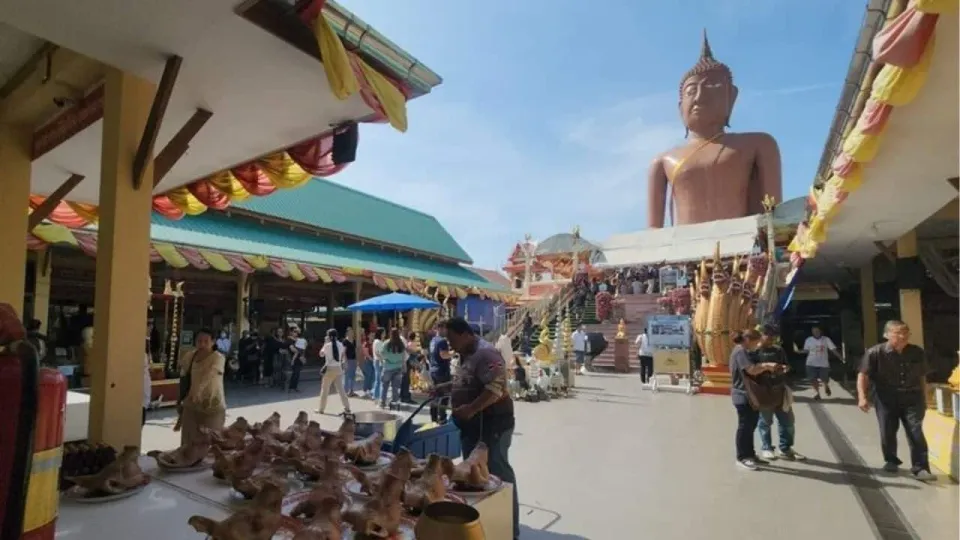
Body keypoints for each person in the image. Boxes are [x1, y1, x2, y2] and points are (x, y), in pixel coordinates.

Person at [436, 317, 519, 540]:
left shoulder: (486, 353)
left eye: (452, 339)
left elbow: (496, 388)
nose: (450, 345)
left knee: (497, 473)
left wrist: (471, 409)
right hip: (471, 426)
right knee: (472, 476)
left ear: (465, 334)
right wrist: (444, 388)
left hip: (491, 424)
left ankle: (509, 528)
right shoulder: (465, 354)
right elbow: (467, 382)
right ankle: (482, 525)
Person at [857, 320, 934, 481]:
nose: (903, 336)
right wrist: (862, 397)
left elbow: (922, 376)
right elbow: (863, 375)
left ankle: (921, 467)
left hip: (913, 397)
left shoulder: (917, 352)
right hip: (886, 398)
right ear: (886, 335)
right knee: (888, 430)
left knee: (916, 430)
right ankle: (891, 460)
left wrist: (925, 398)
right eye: (898, 332)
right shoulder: (875, 352)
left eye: (906, 332)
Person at [729, 328, 777, 471]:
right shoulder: (740, 351)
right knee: (744, 426)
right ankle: (742, 457)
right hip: (742, 395)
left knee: (751, 426)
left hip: (750, 395)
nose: (757, 345)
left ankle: (750, 454)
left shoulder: (745, 351)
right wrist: (767, 366)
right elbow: (751, 369)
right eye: (756, 342)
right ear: (748, 340)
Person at [755, 326, 805, 461]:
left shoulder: (779, 350)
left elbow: (786, 365)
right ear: (761, 335)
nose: (771, 339)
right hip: (763, 391)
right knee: (765, 421)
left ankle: (785, 448)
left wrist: (784, 369)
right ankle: (766, 447)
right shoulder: (755, 352)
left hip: (780, 390)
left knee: (788, 422)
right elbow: (750, 371)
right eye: (768, 336)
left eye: (773, 337)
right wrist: (765, 367)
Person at [177, 328, 227, 447]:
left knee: (211, 441)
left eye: (206, 341)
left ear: (213, 341)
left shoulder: (218, 357)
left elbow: (211, 374)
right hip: (191, 404)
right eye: (199, 341)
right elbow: (183, 376)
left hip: (212, 405)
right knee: (188, 441)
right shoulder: (190, 356)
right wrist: (180, 398)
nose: (202, 344)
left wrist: (198, 391)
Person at [798, 326, 838, 400]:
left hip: (823, 363)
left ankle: (826, 386)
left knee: (824, 379)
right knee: (813, 379)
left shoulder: (826, 339)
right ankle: (817, 393)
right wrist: (799, 351)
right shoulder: (809, 340)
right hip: (811, 363)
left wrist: (840, 357)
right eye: (813, 331)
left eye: (817, 331)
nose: (815, 332)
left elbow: (833, 349)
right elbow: (806, 350)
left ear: (820, 331)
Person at [317, 328, 351, 415]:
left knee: (325, 390)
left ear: (328, 336)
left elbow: (321, 354)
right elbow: (342, 356)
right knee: (341, 390)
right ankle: (347, 407)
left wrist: (325, 342)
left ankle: (321, 409)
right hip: (338, 368)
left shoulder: (327, 345)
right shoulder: (341, 345)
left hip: (329, 369)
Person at [429, 323, 453, 423]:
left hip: (433, 370)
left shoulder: (433, 340)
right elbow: (444, 355)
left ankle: (434, 417)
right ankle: (442, 417)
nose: (446, 331)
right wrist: (454, 352)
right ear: (440, 328)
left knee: (435, 395)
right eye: (445, 329)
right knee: (444, 396)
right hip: (442, 371)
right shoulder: (442, 341)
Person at [380, 329, 406, 408]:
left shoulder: (386, 343)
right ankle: (394, 402)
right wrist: (403, 365)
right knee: (395, 387)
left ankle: (383, 402)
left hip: (388, 367)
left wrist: (386, 359)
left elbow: (382, 354)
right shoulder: (401, 344)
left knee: (385, 386)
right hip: (398, 367)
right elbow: (403, 356)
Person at [401, 332, 421, 404]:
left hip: (405, 360)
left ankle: (403, 395)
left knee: (406, 378)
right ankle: (405, 396)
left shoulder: (405, 341)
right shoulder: (404, 340)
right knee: (406, 379)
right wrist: (416, 353)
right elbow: (408, 350)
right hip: (407, 360)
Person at [287, 328, 307, 393]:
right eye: (294, 332)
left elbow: (304, 346)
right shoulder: (290, 340)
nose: (295, 333)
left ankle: (294, 387)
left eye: (296, 332)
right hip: (293, 358)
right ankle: (291, 387)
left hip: (299, 358)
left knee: (297, 374)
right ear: (291, 332)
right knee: (295, 373)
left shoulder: (300, 339)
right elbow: (291, 348)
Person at [342, 327, 359, 397]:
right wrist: (345, 361)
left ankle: (351, 391)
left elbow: (355, 351)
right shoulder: (345, 341)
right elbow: (344, 352)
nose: (352, 333)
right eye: (350, 332)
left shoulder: (354, 341)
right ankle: (345, 391)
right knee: (347, 376)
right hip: (347, 360)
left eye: (352, 332)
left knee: (352, 376)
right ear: (347, 333)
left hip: (353, 360)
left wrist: (357, 360)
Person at [371, 328, 385, 401]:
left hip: (378, 361)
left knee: (378, 379)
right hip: (378, 361)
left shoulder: (379, 341)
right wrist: (382, 361)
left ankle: (376, 394)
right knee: (379, 379)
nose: (385, 334)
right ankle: (376, 395)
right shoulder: (377, 342)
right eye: (383, 333)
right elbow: (377, 353)